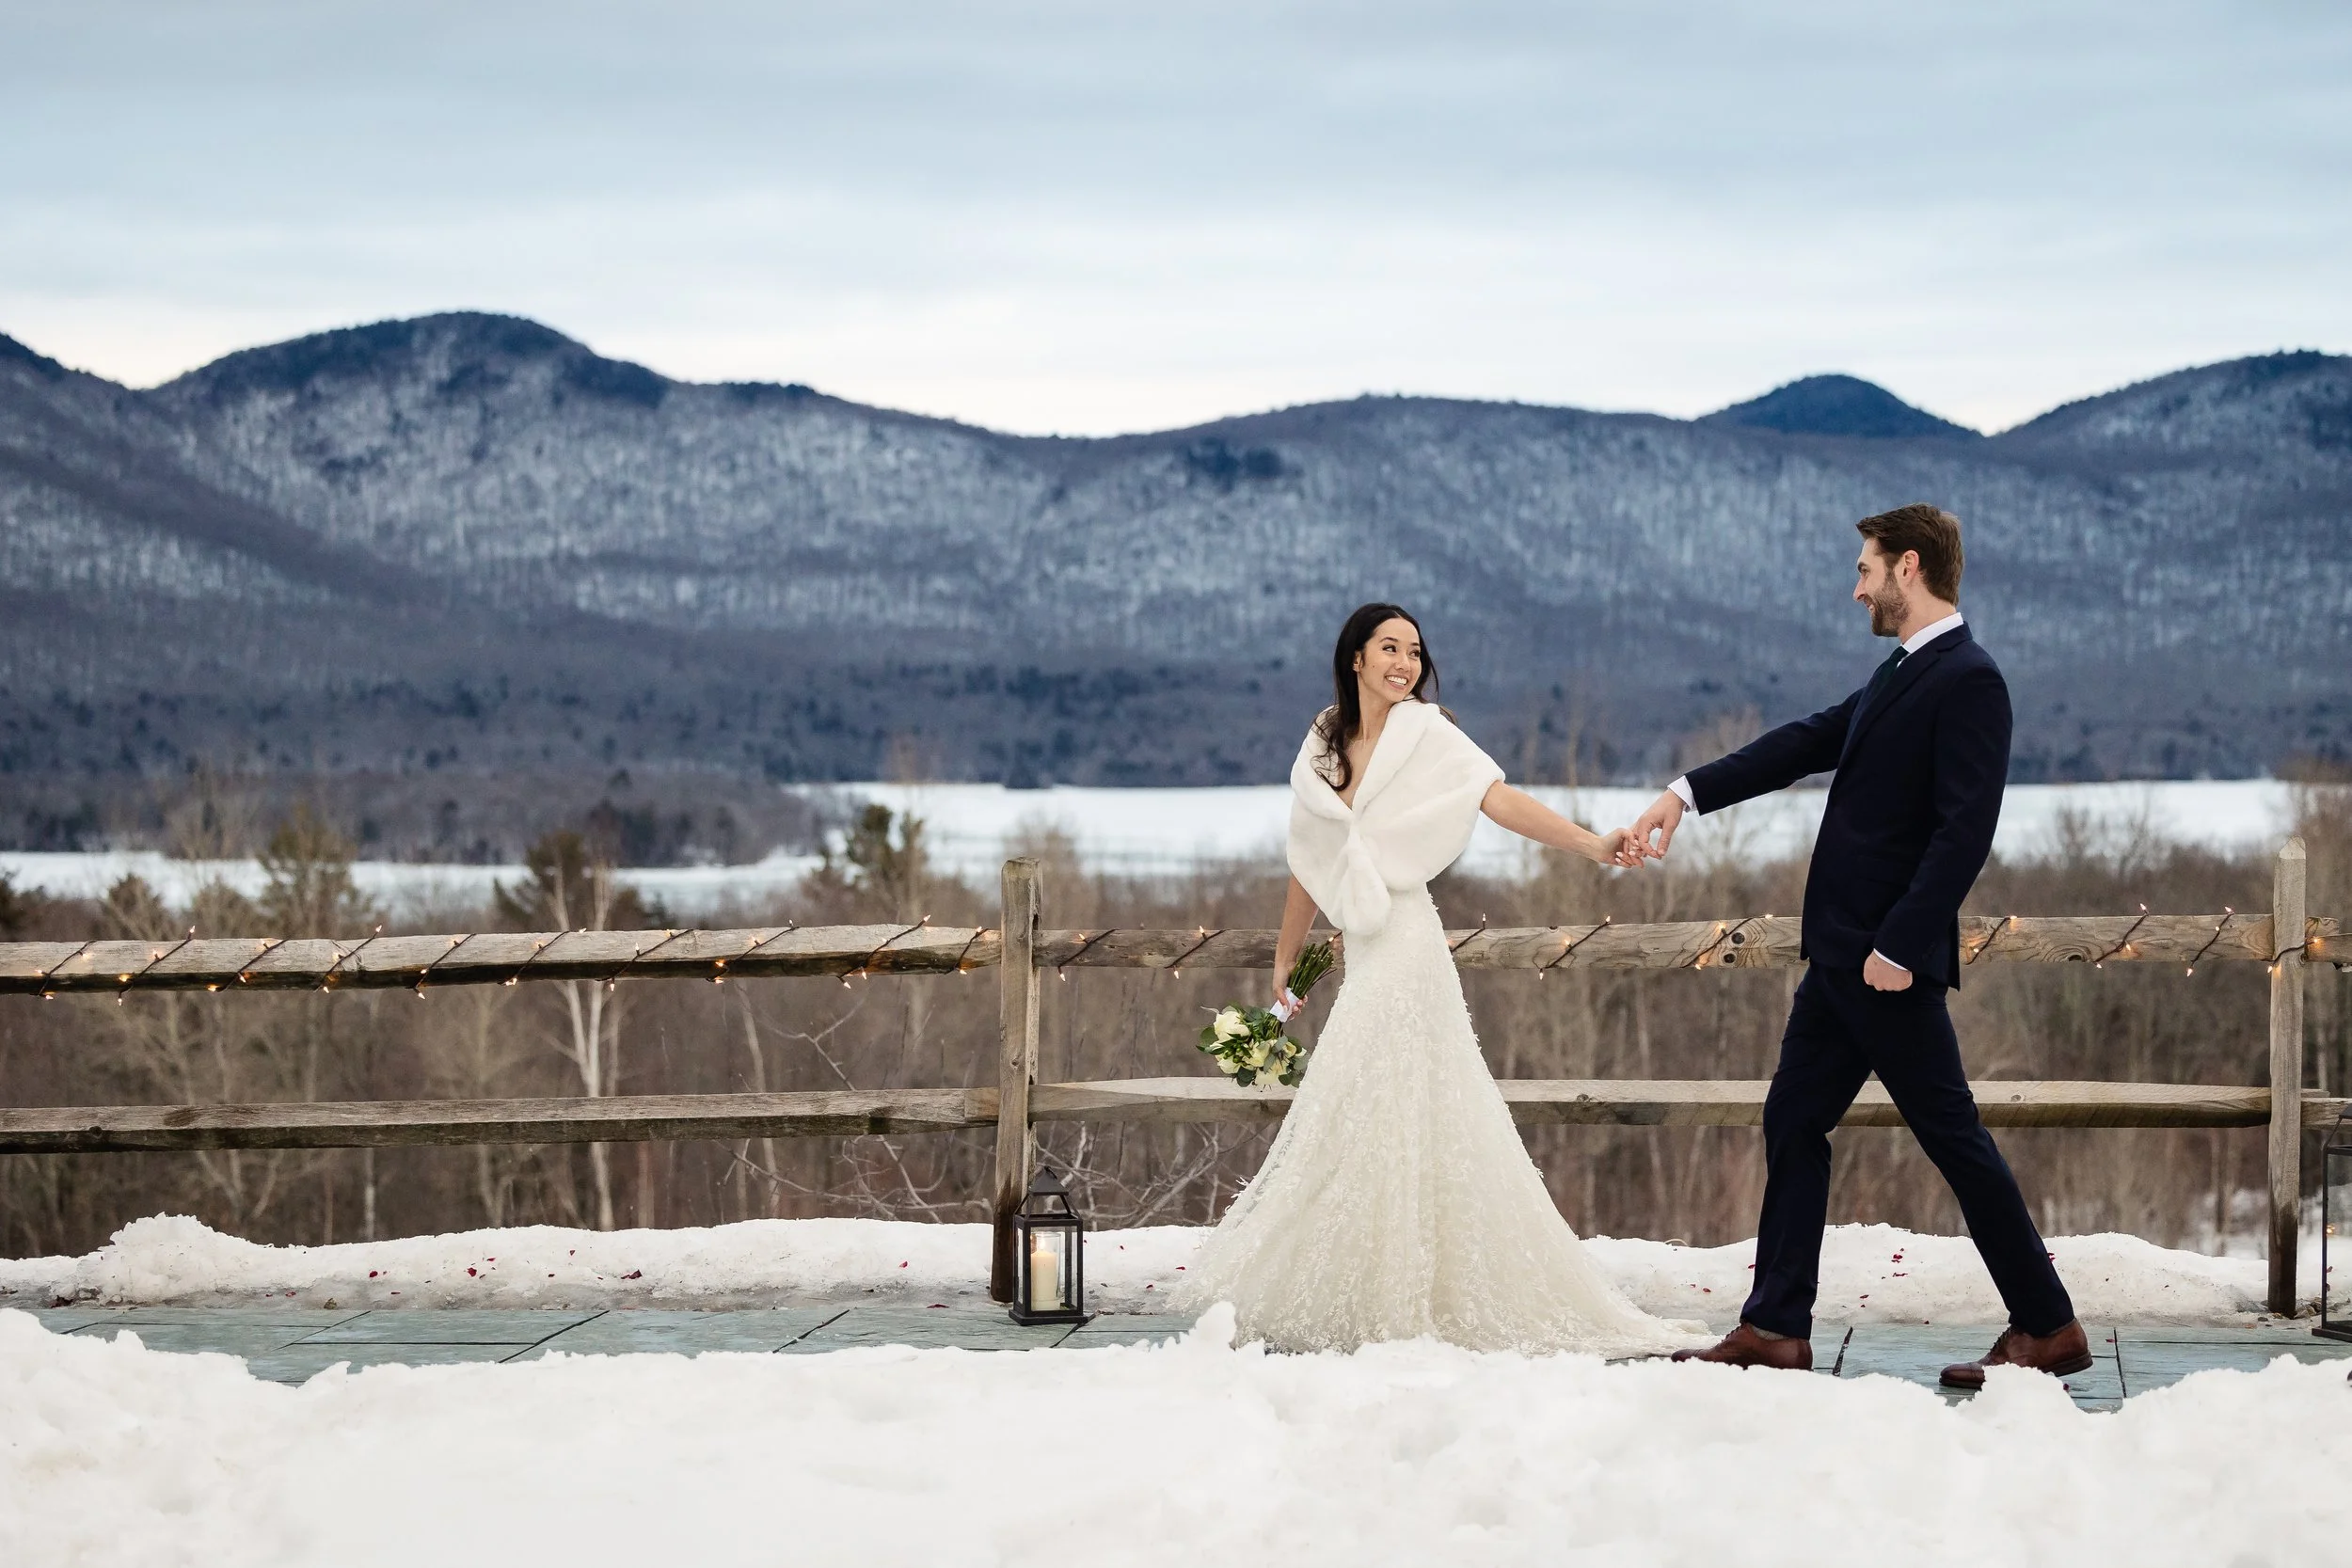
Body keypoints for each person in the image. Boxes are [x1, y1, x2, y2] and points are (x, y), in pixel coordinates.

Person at [1625, 504, 2089, 1386]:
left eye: (1867, 570)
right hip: (1838, 961)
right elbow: (1802, 742)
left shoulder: (1970, 678)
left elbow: (1964, 831)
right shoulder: (1899, 672)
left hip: (1885, 965)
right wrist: (1682, 793)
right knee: (1794, 1119)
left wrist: (1903, 943)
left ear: (1908, 567)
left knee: (1953, 1137)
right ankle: (1774, 1328)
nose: (1858, 587)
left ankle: (2049, 1326)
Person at [1176, 602, 1703, 1355]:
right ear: (1355, 657)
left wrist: (1594, 844)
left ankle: (1414, 1291)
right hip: (1360, 943)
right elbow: (1311, 858)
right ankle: (1365, 1278)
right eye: (1388, 648)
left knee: (1396, 1096)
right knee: (1361, 1102)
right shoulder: (1325, 745)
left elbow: (1500, 798)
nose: (1404, 662)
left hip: (1407, 943)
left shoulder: (1429, 733)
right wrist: (1284, 955)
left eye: (1414, 651)